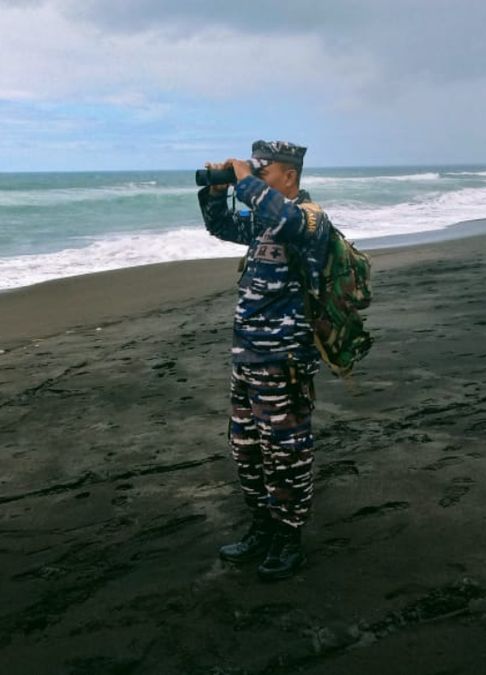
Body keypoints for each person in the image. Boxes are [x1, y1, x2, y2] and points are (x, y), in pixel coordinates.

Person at [199, 140, 331, 581]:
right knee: (247, 450)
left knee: (285, 453)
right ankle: (262, 526)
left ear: (289, 176)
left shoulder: (309, 220)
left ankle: (288, 538)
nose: (256, 179)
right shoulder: (262, 222)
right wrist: (218, 190)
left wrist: (244, 179)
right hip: (247, 356)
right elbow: (219, 226)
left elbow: (285, 219)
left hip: (283, 358)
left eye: (264, 171)